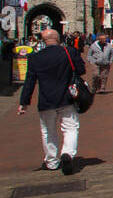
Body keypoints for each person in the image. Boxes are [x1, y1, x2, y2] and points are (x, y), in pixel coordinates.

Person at [18, 29, 86, 175]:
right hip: (67, 98)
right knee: (71, 128)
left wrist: (24, 102)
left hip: (46, 100)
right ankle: (67, 153)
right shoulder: (69, 52)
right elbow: (81, 69)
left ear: (43, 41)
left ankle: (52, 162)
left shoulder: (35, 58)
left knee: (48, 131)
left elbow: (29, 82)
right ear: (58, 39)